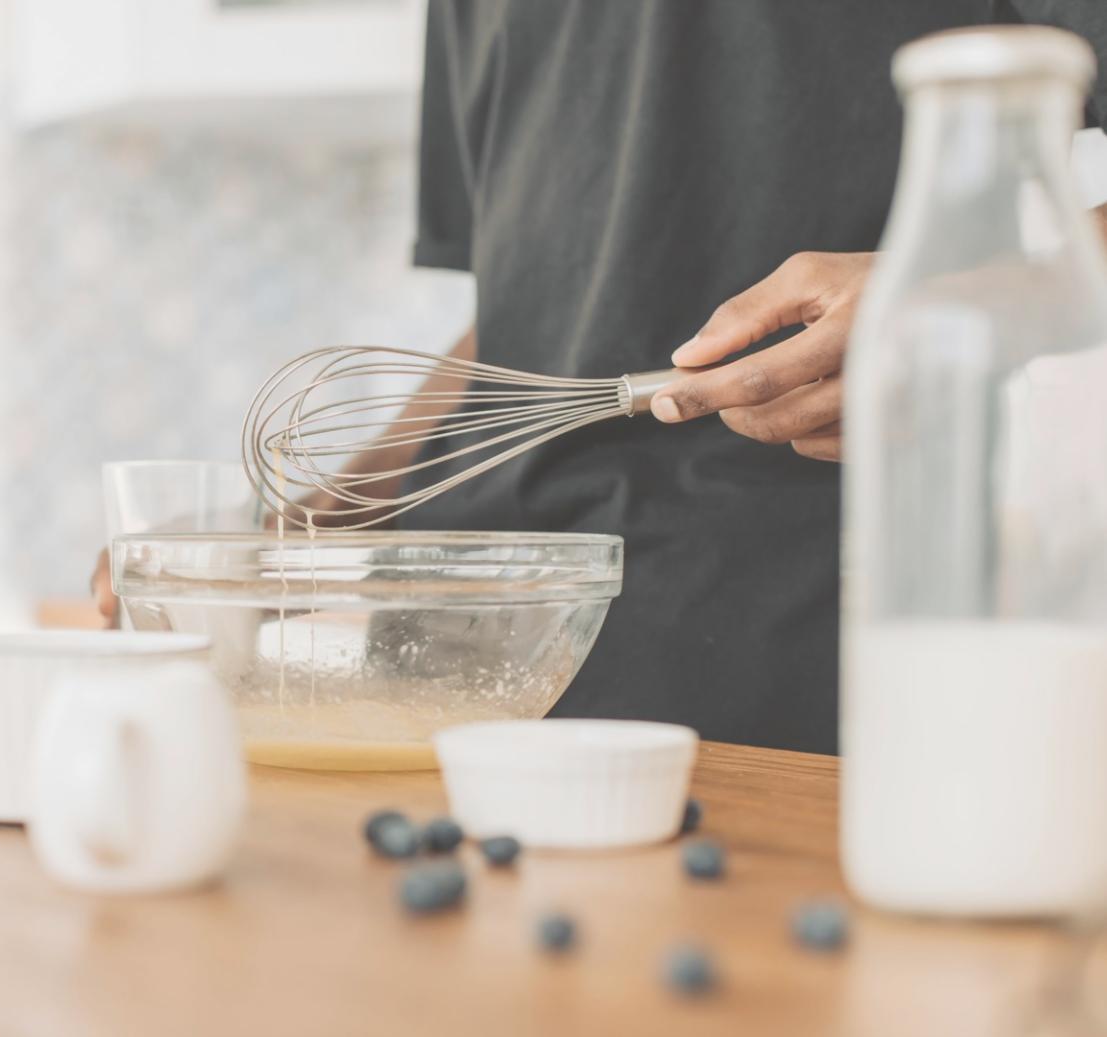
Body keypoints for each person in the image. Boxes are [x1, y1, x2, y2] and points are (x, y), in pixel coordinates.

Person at [98, 3, 1107, 754]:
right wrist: (304, 526)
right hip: (457, 678)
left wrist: (951, 306)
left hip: (794, 677)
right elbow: (536, 312)